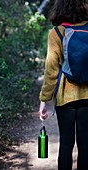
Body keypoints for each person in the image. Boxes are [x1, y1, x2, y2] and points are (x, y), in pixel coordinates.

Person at [39, 0, 88, 170]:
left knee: (66, 145)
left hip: (65, 97)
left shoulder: (56, 33)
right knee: (86, 147)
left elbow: (51, 70)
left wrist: (44, 100)